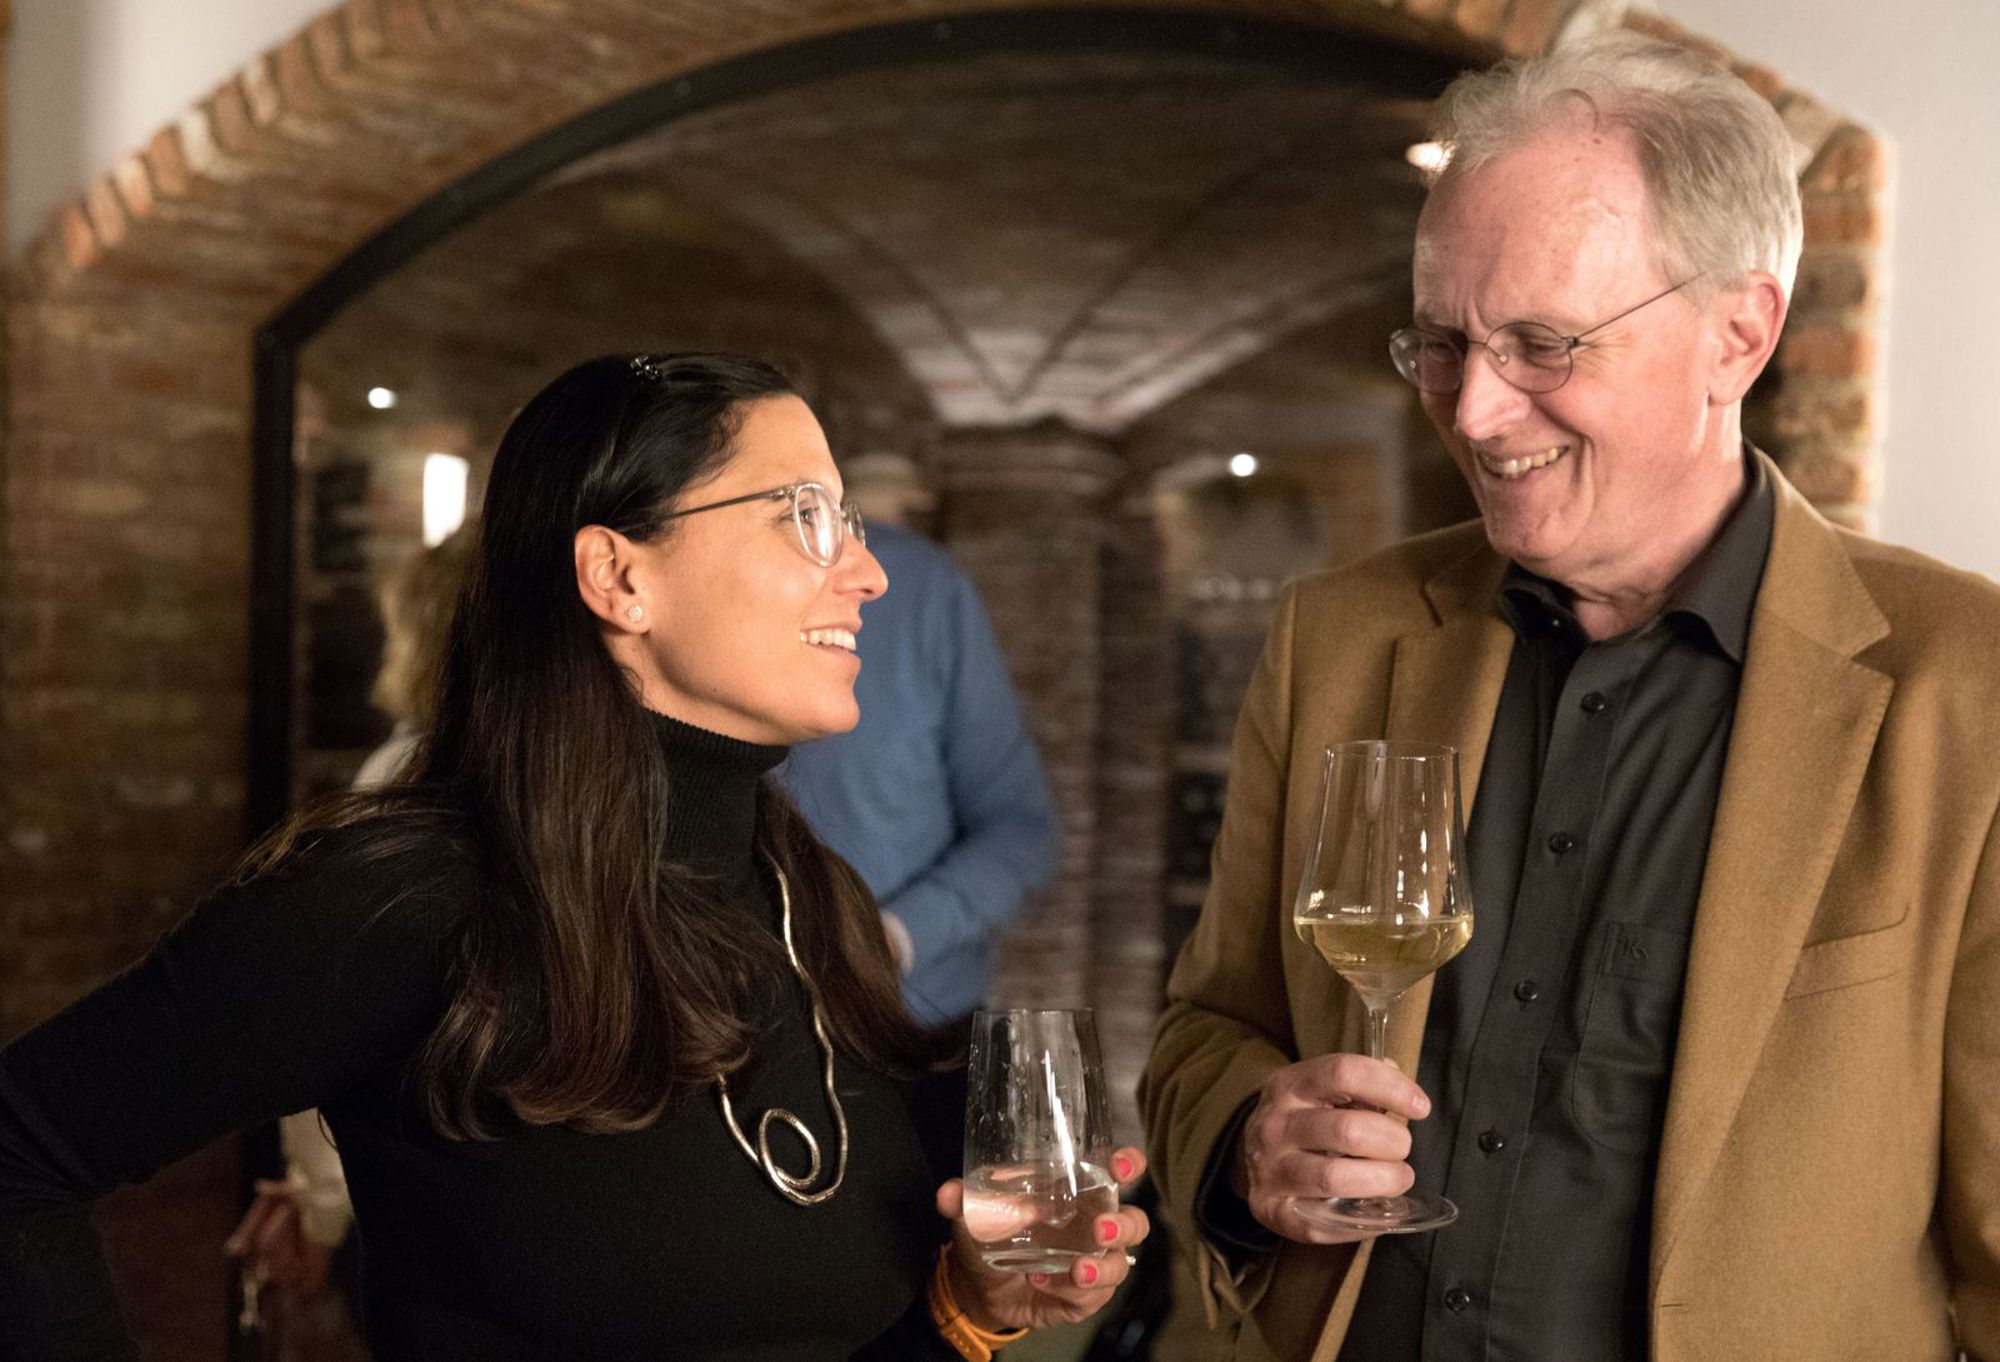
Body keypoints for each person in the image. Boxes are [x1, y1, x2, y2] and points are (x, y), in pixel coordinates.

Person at [0, 353, 1148, 1360]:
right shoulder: (404, 898)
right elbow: (19, 1155)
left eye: (846, 519)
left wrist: (966, 1309)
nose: (866, 572)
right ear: (618, 577)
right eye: (803, 514)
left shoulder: (812, 900)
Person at [1140, 32, 2000, 1362]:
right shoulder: (1338, 637)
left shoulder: (1964, 684)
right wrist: (1251, 1138)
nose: (1475, 412)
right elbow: (1206, 1032)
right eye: (1442, 344)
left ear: (1738, 335)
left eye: (1542, 345)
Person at [780, 465, 1059, 1179]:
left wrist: (896, 937)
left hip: (918, 1040)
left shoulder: (923, 588)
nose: (866, 579)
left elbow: (1021, 828)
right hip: (719, 1046)